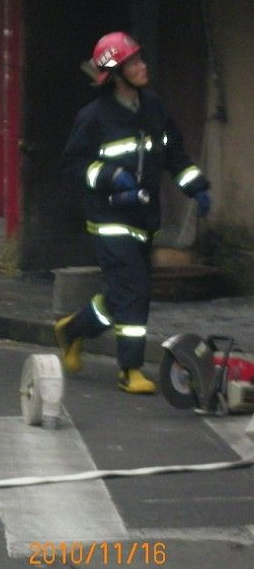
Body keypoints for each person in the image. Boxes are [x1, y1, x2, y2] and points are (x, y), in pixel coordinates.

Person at [56, 32, 211, 394]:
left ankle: (73, 329)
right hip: (109, 218)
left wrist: (196, 186)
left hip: (143, 218)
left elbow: (174, 153)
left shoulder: (153, 108)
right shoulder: (93, 117)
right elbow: (73, 166)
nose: (142, 67)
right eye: (133, 63)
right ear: (115, 73)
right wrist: (110, 176)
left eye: (140, 60)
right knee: (135, 291)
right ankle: (130, 368)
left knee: (123, 294)